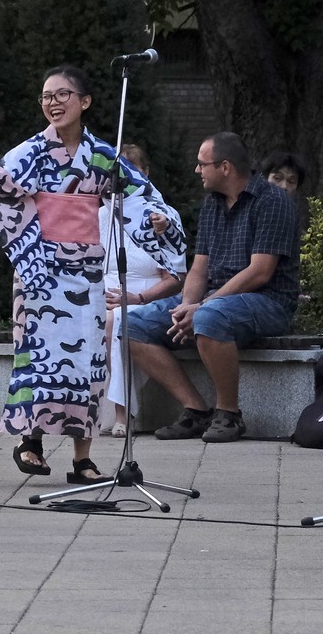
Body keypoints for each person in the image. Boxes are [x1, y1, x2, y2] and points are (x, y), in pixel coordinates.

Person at [0, 66, 185, 477]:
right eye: (46, 96)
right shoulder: (31, 151)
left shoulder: (102, 155)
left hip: (87, 270)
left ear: (85, 101)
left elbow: (141, 195)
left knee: (87, 361)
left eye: (62, 94)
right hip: (38, 269)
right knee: (37, 359)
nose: (53, 103)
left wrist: (159, 221)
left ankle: (82, 457)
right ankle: (30, 441)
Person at [123, 132, 302, 443]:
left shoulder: (273, 201)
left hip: (269, 301)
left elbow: (260, 272)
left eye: (202, 164)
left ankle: (229, 415)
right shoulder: (212, 204)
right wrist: (186, 306)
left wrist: (203, 307)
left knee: (209, 317)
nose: (197, 170)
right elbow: (199, 268)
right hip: (215, 299)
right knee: (131, 326)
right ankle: (196, 410)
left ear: (225, 167)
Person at [99, 142, 182, 437]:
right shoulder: (102, 215)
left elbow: (175, 278)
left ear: (146, 173)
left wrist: (137, 297)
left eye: (133, 171)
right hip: (105, 292)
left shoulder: (163, 217)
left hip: (148, 295)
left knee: (115, 320)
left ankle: (123, 413)